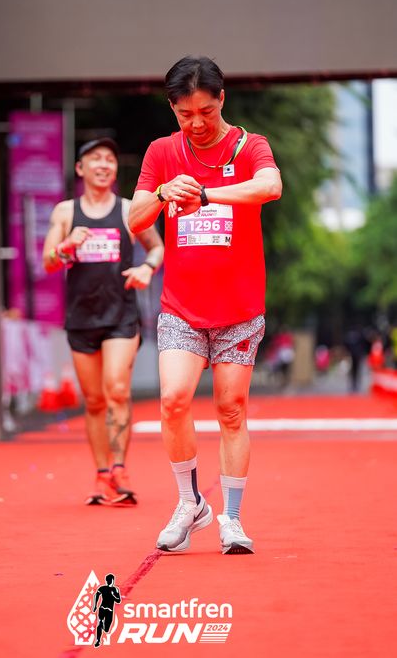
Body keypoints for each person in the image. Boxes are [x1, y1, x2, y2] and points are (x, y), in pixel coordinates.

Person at [129, 56, 282, 554]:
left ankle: (231, 519)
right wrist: (162, 192)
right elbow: (135, 219)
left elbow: (271, 186)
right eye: (184, 114)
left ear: (222, 100)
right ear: (172, 109)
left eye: (205, 112)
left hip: (239, 308)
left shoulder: (250, 146)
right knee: (173, 399)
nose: (196, 123)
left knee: (230, 410)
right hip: (182, 308)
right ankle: (189, 502)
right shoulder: (161, 152)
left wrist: (208, 197)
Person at [43, 138, 164, 506]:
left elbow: (157, 247)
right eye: (95, 159)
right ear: (80, 168)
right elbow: (48, 261)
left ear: (115, 169)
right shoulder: (66, 212)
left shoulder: (129, 210)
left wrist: (146, 268)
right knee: (95, 401)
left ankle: (120, 468)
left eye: (110, 159)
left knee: (117, 390)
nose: (103, 165)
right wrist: (66, 247)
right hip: (81, 317)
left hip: (121, 315)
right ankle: (101, 473)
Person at [92, 573, 121, 648]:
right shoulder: (105, 588)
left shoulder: (114, 589)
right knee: (101, 624)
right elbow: (96, 595)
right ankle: (98, 640)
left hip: (106, 610)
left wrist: (95, 605)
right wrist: (95, 605)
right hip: (105, 609)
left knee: (106, 628)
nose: (109, 581)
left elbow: (118, 600)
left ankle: (101, 629)